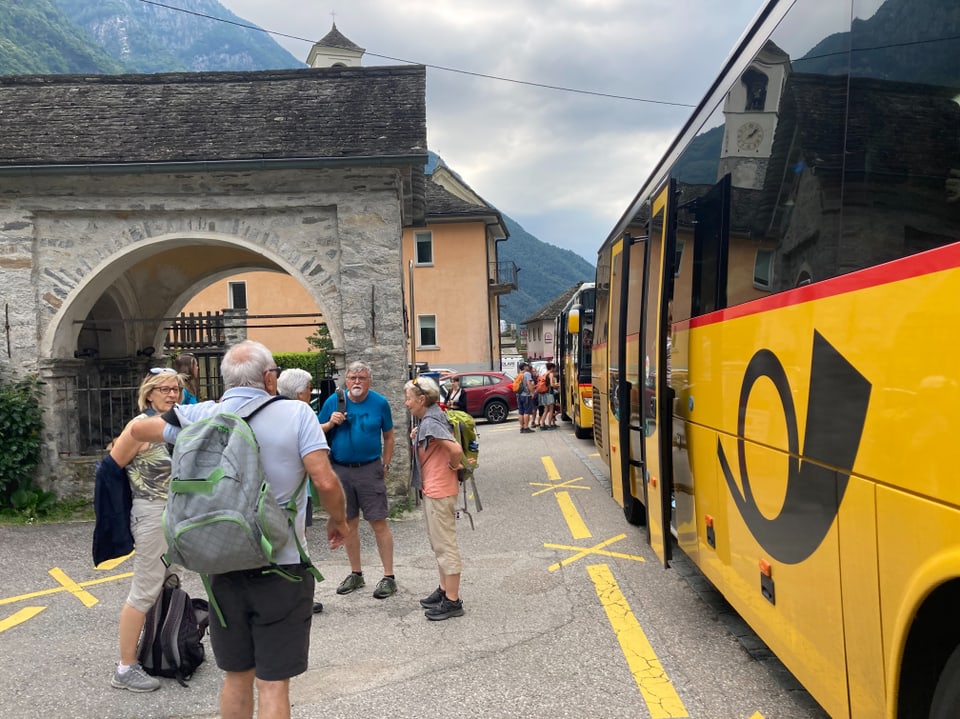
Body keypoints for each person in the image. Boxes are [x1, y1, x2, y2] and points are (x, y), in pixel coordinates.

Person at [127, 340, 349, 719]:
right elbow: (325, 481)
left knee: (236, 676)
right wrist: (338, 520)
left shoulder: (202, 413)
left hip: (221, 563)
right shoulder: (296, 413)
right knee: (273, 683)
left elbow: (138, 432)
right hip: (281, 564)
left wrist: (176, 427)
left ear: (227, 379)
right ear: (268, 378)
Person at [108, 367, 184, 693]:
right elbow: (111, 470)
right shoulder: (139, 428)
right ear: (149, 394)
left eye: (176, 389)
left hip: (177, 513)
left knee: (168, 583)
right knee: (145, 589)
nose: (171, 394)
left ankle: (162, 648)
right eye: (164, 389)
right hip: (152, 514)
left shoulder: (177, 425)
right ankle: (125, 667)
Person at [317, 360, 397, 600]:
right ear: (346, 380)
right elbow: (315, 430)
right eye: (352, 378)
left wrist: (386, 463)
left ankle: (389, 577)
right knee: (348, 523)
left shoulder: (380, 403)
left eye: (362, 378)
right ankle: (356, 573)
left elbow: (389, 436)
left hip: (370, 468)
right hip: (341, 470)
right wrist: (331, 422)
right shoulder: (335, 401)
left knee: (378, 522)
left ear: (369, 381)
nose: (357, 382)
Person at [404, 375, 465, 620]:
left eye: (408, 399)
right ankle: (444, 590)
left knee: (445, 545)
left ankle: (453, 601)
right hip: (436, 489)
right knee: (439, 544)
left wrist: (453, 467)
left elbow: (455, 449)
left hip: (439, 490)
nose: (406, 403)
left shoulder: (430, 422)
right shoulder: (430, 419)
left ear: (421, 399)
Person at [276, 368, 325, 615]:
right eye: (308, 388)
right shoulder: (301, 412)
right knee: (297, 540)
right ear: (299, 392)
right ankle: (298, 596)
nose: (310, 392)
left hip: (280, 492)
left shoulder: (271, 411)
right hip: (295, 492)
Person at [517, 362, 536, 433]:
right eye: (527, 366)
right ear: (524, 367)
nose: (528, 367)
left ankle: (521, 427)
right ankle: (526, 427)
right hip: (526, 395)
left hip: (519, 395)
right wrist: (532, 392)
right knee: (526, 411)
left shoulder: (519, 374)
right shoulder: (527, 374)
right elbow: (529, 383)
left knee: (521, 412)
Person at [539, 362, 559, 429]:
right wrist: (558, 385)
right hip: (549, 393)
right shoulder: (550, 374)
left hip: (543, 393)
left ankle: (542, 424)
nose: (555, 369)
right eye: (554, 367)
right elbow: (552, 384)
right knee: (551, 410)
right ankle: (550, 424)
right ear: (552, 368)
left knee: (546, 409)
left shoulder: (545, 374)